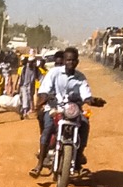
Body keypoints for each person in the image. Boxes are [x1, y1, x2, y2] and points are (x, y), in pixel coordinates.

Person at [30, 48, 105, 176]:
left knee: (85, 123)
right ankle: (39, 164)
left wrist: (93, 101)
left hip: (73, 109)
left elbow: (85, 95)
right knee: (48, 129)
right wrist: (45, 98)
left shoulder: (80, 77)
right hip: (54, 108)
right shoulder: (54, 73)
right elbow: (44, 90)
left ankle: (78, 159)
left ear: (77, 61)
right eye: (68, 60)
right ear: (64, 61)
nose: (70, 62)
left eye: (73, 60)